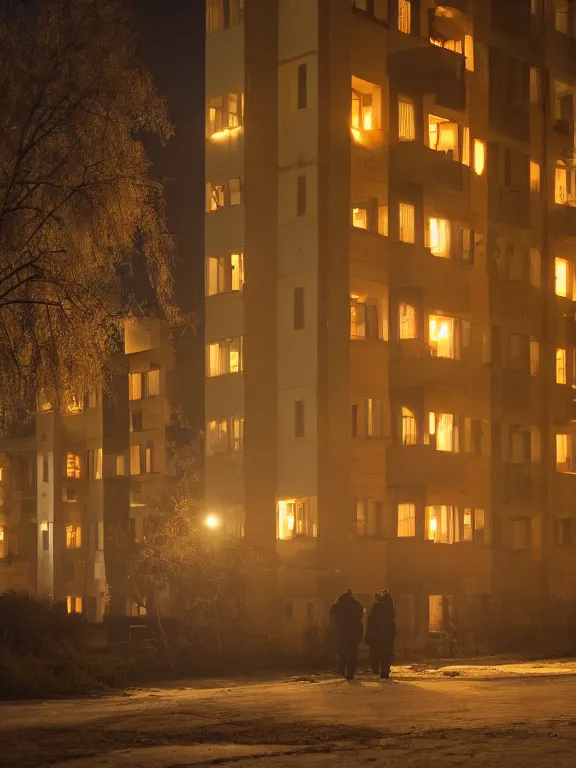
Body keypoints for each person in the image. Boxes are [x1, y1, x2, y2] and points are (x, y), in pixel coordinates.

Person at [329, 589, 364, 680]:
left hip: (341, 632)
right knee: (352, 653)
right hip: (353, 632)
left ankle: (341, 669)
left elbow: (331, 613)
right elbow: (361, 613)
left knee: (341, 651)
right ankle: (350, 673)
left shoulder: (338, 603)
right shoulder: (356, 604)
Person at [365, 590, 396, 679]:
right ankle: (384, 671)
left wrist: (368, 636)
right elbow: (392, 627)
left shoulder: (375, 611)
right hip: (387, 637)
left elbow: (370, 624)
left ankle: (376, 668)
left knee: (376, 652)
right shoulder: (390, 612)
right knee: (386, 654)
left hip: (377, 636)